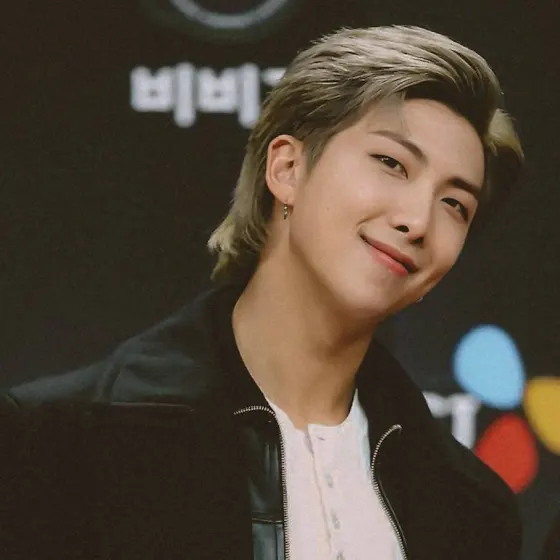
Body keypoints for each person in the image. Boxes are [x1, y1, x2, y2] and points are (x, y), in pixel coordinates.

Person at [1, 25, 524, 560]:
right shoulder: (58, 442)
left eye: (455, 204)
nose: (417, 221)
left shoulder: (472, 509)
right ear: (287, 168)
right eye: (391, 163)